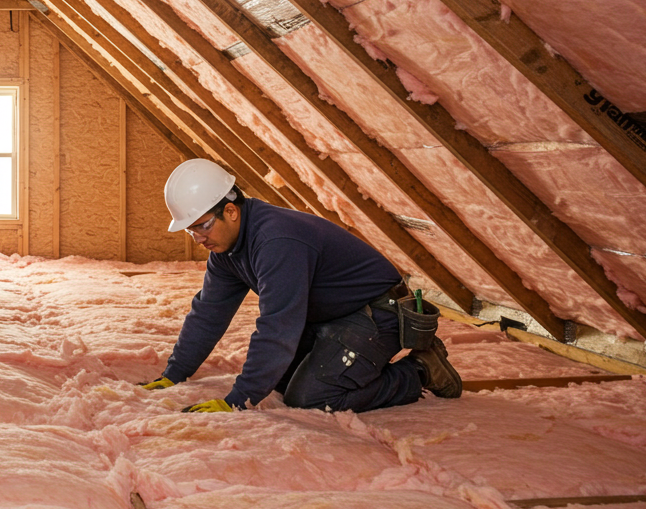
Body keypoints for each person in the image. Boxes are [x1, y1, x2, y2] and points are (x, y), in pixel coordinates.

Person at [140, 159, 462, 413]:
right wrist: (174, 374)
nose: (198, 239)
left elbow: (278, 326)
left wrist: (238, 400)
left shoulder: (276, 241)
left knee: (310, 397)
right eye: (191, 231)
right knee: (278, 379)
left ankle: (421, 369)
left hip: (375, 314)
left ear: (231, 211)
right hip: (329, 317)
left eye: (203, 227)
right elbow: (208, 313)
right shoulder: (226, 251)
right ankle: (355, 366)